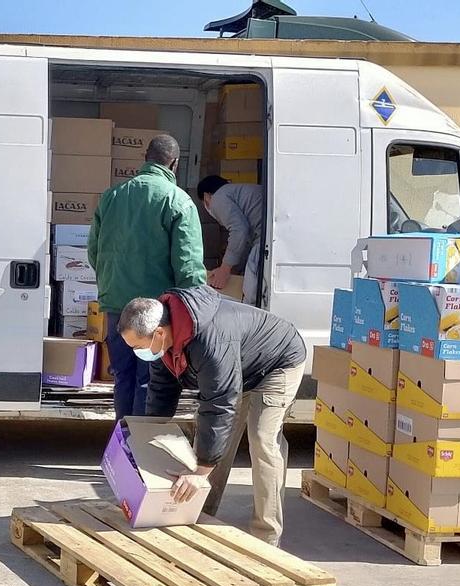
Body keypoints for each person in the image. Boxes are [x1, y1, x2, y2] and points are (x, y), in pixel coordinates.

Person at [117, 286, 306, 546]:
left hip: (277, 363)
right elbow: (161, 390)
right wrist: (146, 439)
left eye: (138, 346)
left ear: (158, 333)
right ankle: (201, 514)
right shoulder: (165, 338)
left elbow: (218, 404)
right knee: (212, 443)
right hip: (238, 368)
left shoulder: (210, 340)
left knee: (262, 440)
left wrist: (201, 470)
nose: (137, 352)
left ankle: (267, 537)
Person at [88, 135, 206, 419]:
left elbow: (94, 252)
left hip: (117, 306)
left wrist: (113, 285)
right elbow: (188, 265)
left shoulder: (112, 196)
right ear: (175, 164)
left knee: (123, 378)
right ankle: (141, 450)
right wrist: (200, 309)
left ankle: (122, 449)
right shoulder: (178, 201)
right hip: (156, 313)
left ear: (145, 157)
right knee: (150, 382)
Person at [196, 176, 264, 303]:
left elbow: (239, 230)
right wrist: (233, 268)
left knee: (251, 295)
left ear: (206, 197)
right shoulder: (237, 193)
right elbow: (245, 239)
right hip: (269, 237)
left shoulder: (218, 198)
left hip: (265, 239)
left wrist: (225, 269)